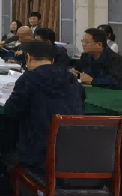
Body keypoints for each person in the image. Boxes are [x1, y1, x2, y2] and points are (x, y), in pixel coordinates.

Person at [5, 41, 86, 173]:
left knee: (7, 150)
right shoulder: (72, 79)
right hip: (73, 153)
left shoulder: (28, 79)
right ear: (52, 60)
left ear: (28, 57)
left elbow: (11, 111)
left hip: (38, 156)